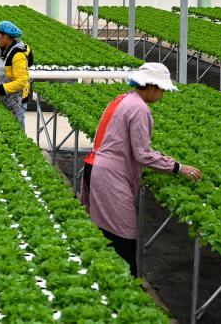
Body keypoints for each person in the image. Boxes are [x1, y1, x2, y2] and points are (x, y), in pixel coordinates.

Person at [86, 62, 202, 276]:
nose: (162, 95)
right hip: (110, 176)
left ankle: (104, 281)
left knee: (102, 233)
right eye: (161, 89)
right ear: (151, 86)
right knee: (121, 238)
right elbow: (142, 154)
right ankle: (123, 285)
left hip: (96, 167)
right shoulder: (139, 108)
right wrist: (178, 167)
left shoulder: (123, 98)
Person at [0, 20, 33, 127]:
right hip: (5, 97)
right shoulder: (2, 51)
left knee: (16, 132)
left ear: (6, 36)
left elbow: (22, 81)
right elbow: (1, 72)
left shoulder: (18, 56)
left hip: (17, 101)